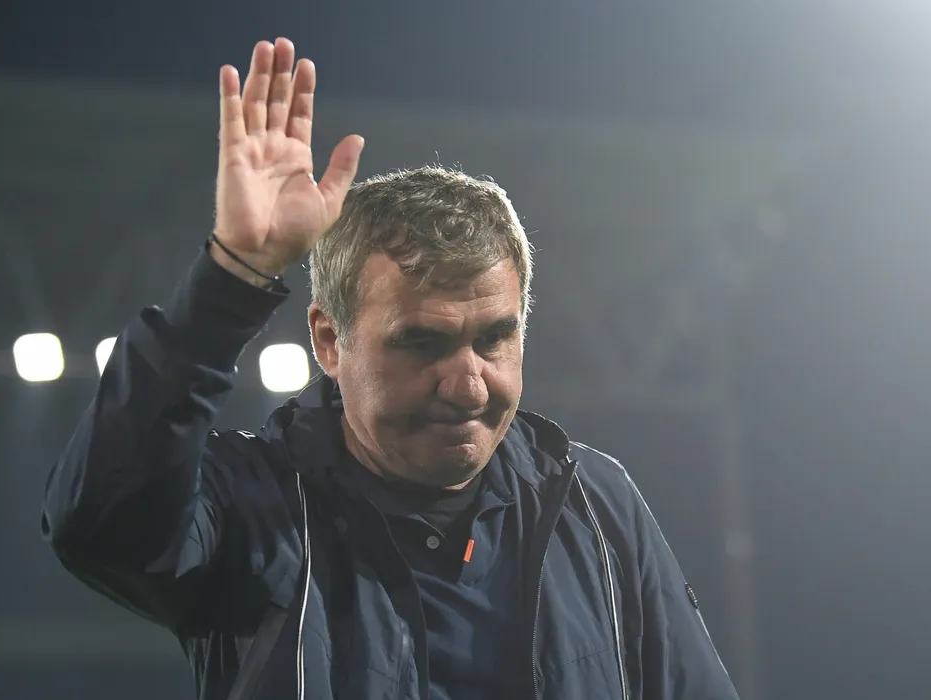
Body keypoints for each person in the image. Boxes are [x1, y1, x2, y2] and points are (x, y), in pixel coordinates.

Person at [43, 37, 740, 700]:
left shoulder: (595, 501)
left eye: (494, 339)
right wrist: (230, 280)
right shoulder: (253, 504)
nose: (467, 386)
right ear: (329, 341)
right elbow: (102, 528)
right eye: (421, 343)